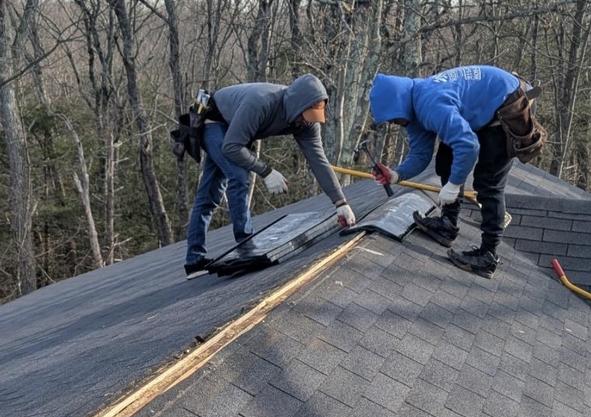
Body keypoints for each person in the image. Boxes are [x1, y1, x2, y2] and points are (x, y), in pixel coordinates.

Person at [369, 65, 545, 279]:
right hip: (485, 106)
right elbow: (420, 155)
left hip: (508, 102)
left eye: (393, 118)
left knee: (488, 183)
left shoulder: (430, 103)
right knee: (445, 159)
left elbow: (469, 146)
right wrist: (396, 175)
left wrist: (453, 185)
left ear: (399, 104)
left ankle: (488, 255)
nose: (395, 123)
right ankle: (448, 224)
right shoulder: (412, 109)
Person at [184, 74, 356, 276]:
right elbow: (231, 147)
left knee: (210, 194)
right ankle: (246, 247)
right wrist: (266, 172)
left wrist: (340, 203)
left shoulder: (307, 124)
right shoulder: (262, 102)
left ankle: (194, 262)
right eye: (304, 116)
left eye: (311, 119)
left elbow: (319, 161)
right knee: (239, 177)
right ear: (296, 105)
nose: (305, 122)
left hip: (235, 130)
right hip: (214, 121)